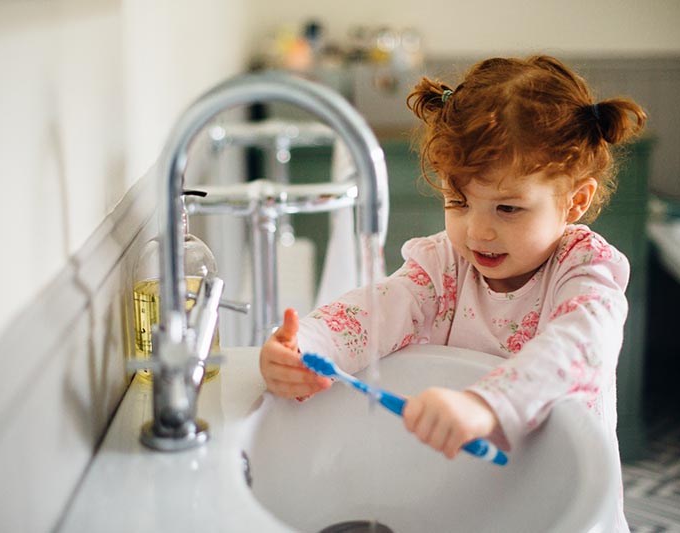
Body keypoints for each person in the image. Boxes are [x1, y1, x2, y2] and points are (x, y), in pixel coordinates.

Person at [259, 55, 646, 531]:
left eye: (508, 208)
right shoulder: (444, 265)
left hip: (563, 501)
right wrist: (308, 346)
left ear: (575, 202)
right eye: (457, 202)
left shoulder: (586, 270)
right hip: (462, 494)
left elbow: (578, 346)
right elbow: (383, 307)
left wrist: (486, 404)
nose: (478, 231)